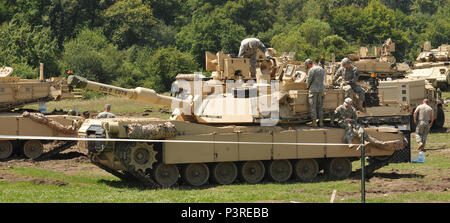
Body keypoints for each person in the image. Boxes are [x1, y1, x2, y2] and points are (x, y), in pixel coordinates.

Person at [305, 59, 325, 127]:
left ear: (309, 64)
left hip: (313, 90)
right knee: (320, 107)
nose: (308, 68)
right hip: (321, 90)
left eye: (307, 66)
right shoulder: (321, 68)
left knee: (313, 107)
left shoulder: (311, 70)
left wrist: (307, 87)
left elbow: (309, 80)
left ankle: (314, 122)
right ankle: (321, 122)